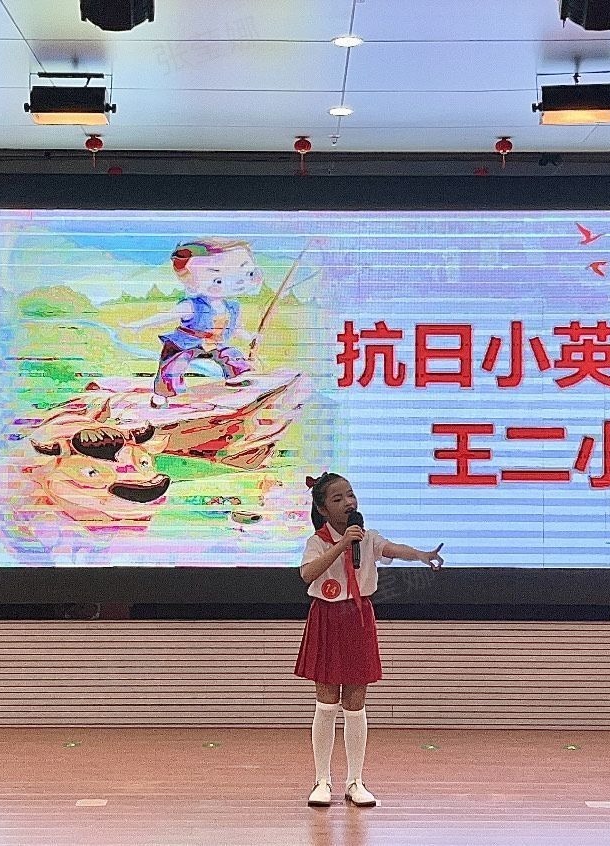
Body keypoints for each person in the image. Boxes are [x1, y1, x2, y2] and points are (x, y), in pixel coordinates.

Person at [295, 472, 444, 808]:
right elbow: (307, 574)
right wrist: (342, 544)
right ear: (322, 509)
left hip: (359, 617)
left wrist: (422, 555)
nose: (348, 502)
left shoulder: (367, 537)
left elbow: (394, 549)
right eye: (338, 499)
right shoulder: (318, 541)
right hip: (327, 617)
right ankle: (322, 780)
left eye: (350, 495)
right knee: (326, 702)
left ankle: (355, 781)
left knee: (355, 702)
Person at [124, 238, 262, 408]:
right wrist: (140, 324)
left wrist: (249, 337)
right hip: (185, 344)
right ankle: (162, 394)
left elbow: (235, 328)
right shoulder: (192, 305)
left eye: (247, 274)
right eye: (218, 280)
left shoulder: (232, 307)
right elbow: (166, 316)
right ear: (191, 284)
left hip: (214, 343)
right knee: (173, 365)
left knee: (231, 354)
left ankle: (236, 377)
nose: (238, 283)